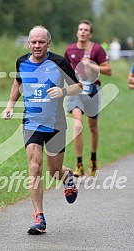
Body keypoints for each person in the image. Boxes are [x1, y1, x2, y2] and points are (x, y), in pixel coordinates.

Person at [2, 25, 82, 235]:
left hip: (55, 124)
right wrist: (10, 105)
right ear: (29, 43)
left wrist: (63, 90)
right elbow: (17, 83)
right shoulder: (21, 62)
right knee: (34, 166)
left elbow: (78, 86)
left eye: (41, 42)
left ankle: (67, 176)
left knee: (54, 171)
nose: (37, 46)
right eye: (33, 42)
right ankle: (39, 217)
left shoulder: (58, 62)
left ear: (49, 43)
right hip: (31, 123)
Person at [64, 19, 112, 177]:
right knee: (77, 125)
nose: (83, 32)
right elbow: (64, 69)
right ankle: (79, 164)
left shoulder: (97, 49)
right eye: (80, 29)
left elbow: (108, 70)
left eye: (86, 30)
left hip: (92, 90)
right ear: (77, 32)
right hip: (76, 90)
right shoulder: (69, 49)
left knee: (92, 126)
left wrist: (92, 66)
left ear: (90, 34)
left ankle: (93, 159)